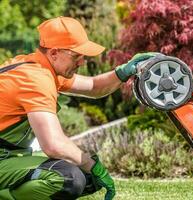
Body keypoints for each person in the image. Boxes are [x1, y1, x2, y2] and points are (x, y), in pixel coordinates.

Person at [0, 16, 155, 200]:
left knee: (83, 175)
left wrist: (123, 72)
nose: (82, 62)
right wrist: (93, 165)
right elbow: (53, 145)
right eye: (77, 56)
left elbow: (93, 86)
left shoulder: (42, 67)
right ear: (54, 53)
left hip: (10, 157)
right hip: (4, 159)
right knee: (69, 177)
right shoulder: (35, 79)